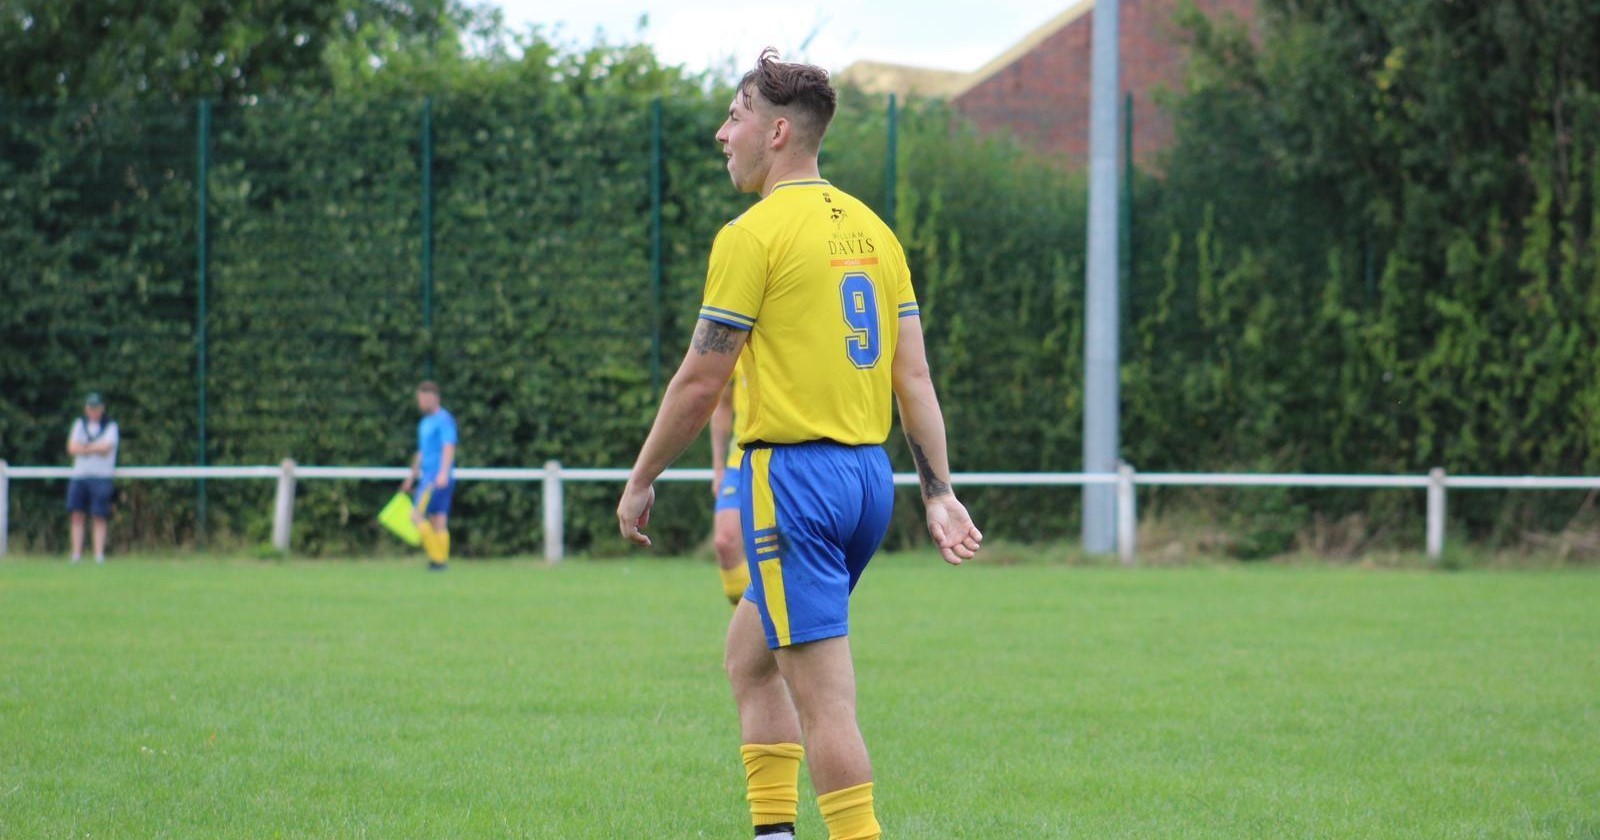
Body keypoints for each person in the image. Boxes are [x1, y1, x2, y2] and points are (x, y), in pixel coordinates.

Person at [617, 49, 982, 840]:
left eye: (737, 116)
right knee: (749, 659)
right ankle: (772, 834)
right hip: (864, 483)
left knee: (824, 700)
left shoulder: (752, 235)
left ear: (778, 132)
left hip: (796, 484)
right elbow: (912, 379)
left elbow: (700, 381)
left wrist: (643, 475)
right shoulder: (875, 232)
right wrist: (938, 490)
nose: (723, 133)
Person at [400, 381, 457, 571]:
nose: (421, 402)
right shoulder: (424, 423)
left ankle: (438, 560)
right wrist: (412, 476)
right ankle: (440, 562)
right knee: (438, 519)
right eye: (420, 398)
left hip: (436, 477)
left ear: (435, 398)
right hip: (428, 477)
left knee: (416, 516)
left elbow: (448, 446)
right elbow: (422, 452)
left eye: (424, 398)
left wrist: (443, 473)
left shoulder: (444, 419)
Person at [710, 368, 753, 606]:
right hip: (739, 462)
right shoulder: (733, 341)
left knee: (787, 552)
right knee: (725, 542)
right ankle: (749, 628)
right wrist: (718, 467)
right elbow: (722, 404)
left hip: (783, 459)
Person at [65, 392, 119, 564]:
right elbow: (72, 448)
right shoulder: (79, 424)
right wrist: (94, 448)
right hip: (80, 476)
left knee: (99, 516)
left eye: (96, 408)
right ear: (86, 409)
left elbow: (106, 448)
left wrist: (85, 448)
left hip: (101, 477)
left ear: (102, 408)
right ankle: (76, 555)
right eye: (90, 408)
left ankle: (98, 555)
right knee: (76, 515)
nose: (93, 411)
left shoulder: (110, 426)